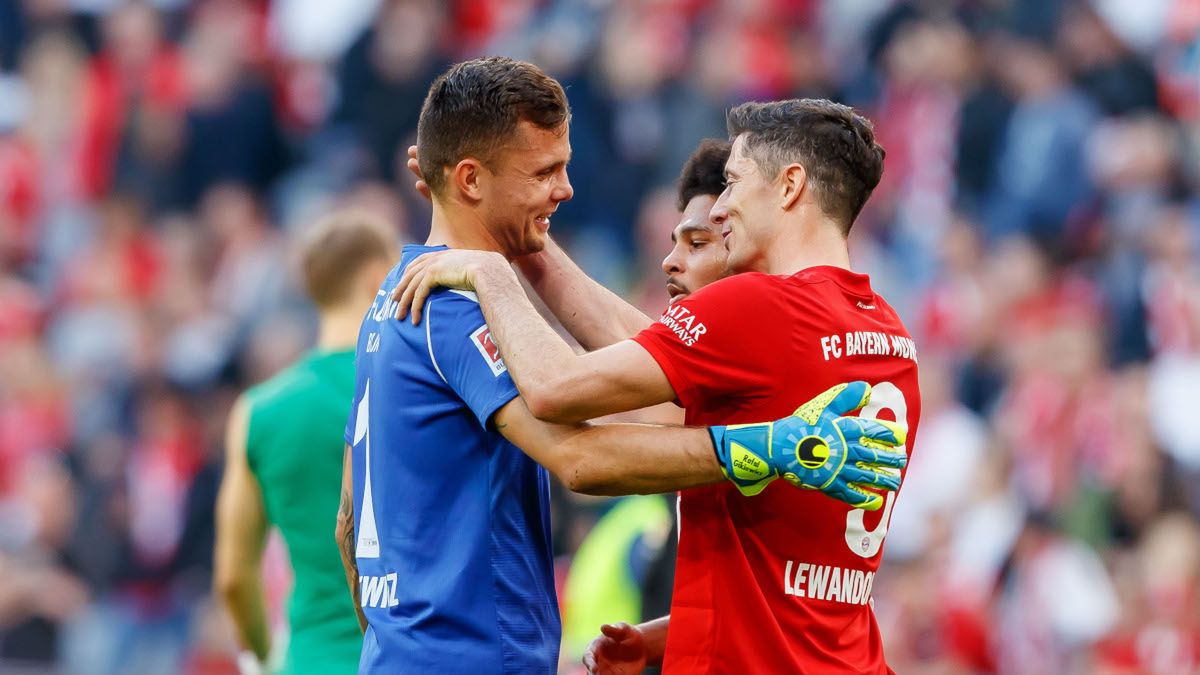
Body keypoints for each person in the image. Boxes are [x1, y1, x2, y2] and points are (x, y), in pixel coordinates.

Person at [337, 59, 906, 674]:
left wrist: (493, 255)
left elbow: (567, 407)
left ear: (790, 186)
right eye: (544, 172)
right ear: (470, 178)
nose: (721, 209)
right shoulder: (886, 333)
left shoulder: (397, 302)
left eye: (732, 184)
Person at [561, 139, 733, 657]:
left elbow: (566, 423)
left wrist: (492, 268)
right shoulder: (652, 515)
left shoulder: (643, 527)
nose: (669, 263)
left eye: (698, 243)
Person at [214, 211, 398, 674]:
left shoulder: (258, 412)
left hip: (311, 658)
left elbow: (234, 577)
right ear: (376, 277)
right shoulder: (419, 388)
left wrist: (263, 657)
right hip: (407, 656)